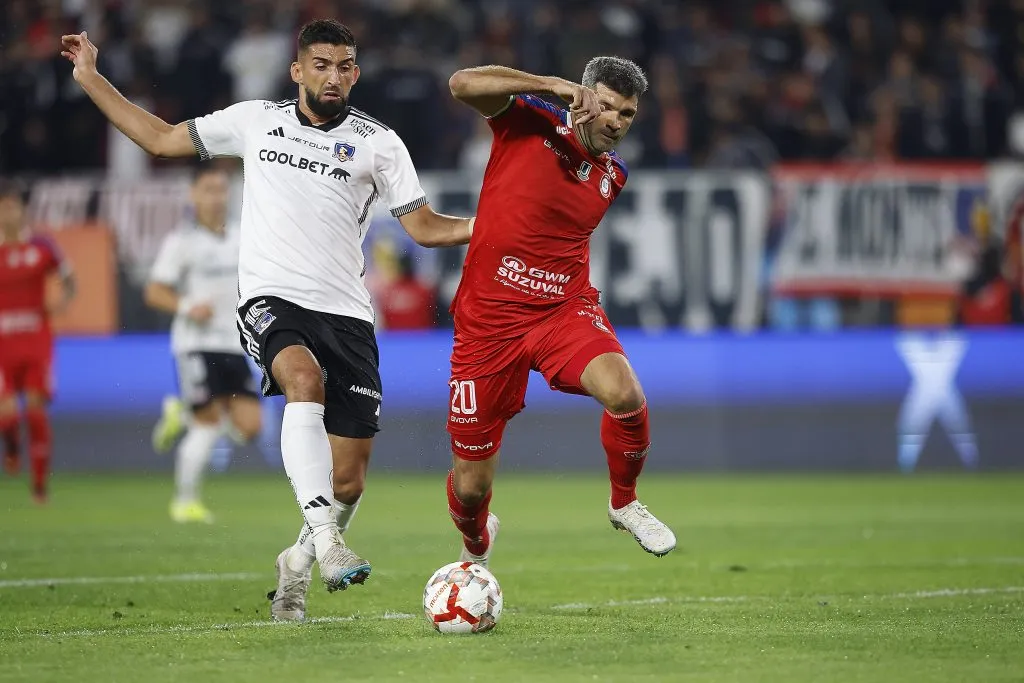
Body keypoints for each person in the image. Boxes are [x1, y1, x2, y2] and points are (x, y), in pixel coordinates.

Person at [61, 20, 473, 621]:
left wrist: (486, 227)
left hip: (348, 315)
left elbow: (425, 226)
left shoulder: (380, 144)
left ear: (356, 74)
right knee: (302, 382)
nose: (335, 76)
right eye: (323, 64)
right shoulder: (256, 120)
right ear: (298, 71)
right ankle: (328, 542)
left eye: (346, 66)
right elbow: (159, 139)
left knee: (350, 483)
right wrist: (92, 78)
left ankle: (296, 564)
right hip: (271, 299)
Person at [444, 59, 676, 566]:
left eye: (628, 113)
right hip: (489, 324)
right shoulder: (528, 119)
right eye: (608, 106)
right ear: (584, 98)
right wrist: (548, 84)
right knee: (470, 487)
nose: (616, 120)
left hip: (561, 310)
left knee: (625, 394)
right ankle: (476, 544)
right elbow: (461, 84)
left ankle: (625, 502)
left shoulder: (614, 175)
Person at [144, 166, 262, 523]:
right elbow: (154, 291)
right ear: (193, 194)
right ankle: (185, 502)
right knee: (208, 424)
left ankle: (180, 411)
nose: (216, 197)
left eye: (221, 189)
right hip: (195, 344)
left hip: (234, 343)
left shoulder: (243, 237)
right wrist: (185, 306)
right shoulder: (182, 242)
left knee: (249, 427)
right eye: (208, 189)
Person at [0, 181, 75, 504]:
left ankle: (40, 486)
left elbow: (68, 278)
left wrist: (60, 303)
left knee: (34, 411)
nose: (8, 213)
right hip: (2, 344)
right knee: (7, 414)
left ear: (22, 210)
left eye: (13, 206)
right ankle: (13, 445)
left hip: (35, 340)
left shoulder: (42, 246)